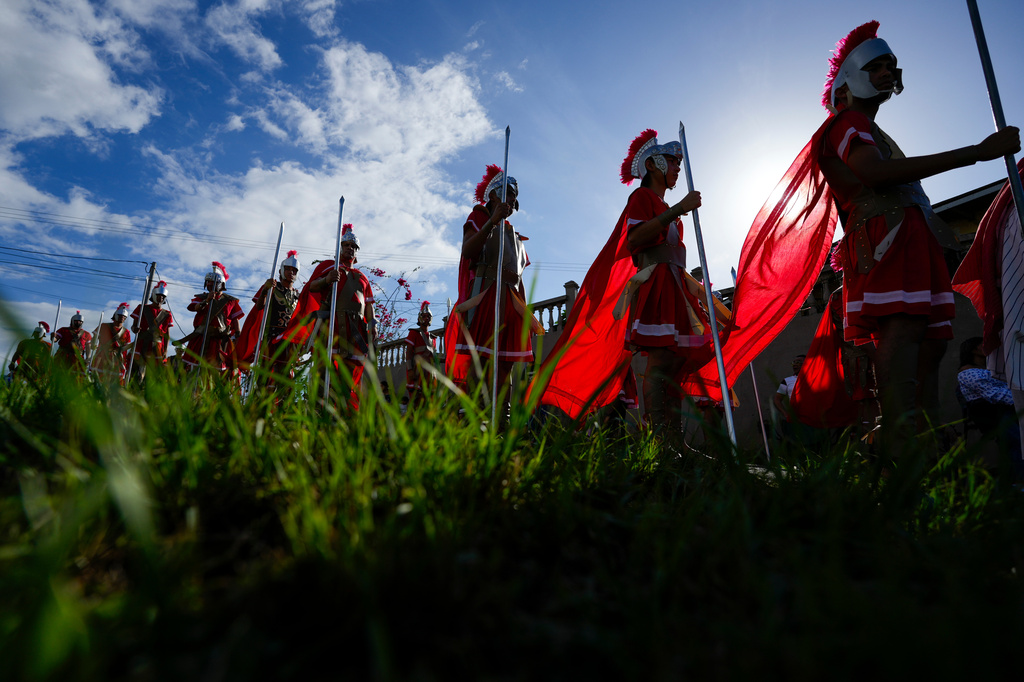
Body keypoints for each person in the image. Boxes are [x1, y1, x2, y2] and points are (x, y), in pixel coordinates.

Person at [445, 165, 540, 411]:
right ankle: (477, 419)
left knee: (505, 362)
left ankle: (501, 421)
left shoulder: (513, 233)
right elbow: (468, 251)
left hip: (511, 300)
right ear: (494, 195)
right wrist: (492, 222)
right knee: (484, 360)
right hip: (487, 295)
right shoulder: (479, 216)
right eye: (508, 193)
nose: (512, 200)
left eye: (515, 197)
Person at [279, 225, 375, 408]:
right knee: (324, 371)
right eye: (346, 245)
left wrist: (373, 324)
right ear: (341, 247)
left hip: (355, 332)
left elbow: (369, 304)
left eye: (353, 246)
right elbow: (311, 288)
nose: (350, 248)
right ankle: (319, 410)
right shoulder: (329, 267)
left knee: (350, 376)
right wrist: (327, 279)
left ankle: (343, 412)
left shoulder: (362, 277)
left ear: (357, 251)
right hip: (332, 326)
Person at [956, 336, 1022, 477]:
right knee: (1015, 440)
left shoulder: (992, 370)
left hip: (1007, 410)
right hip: (994, 415)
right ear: (974, 350)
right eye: (984, 344)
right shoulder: (968, 374)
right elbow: (996, 395)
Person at [236, 249, 301, 389]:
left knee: (287, 378)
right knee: (266, 376)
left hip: (288, 341)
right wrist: (265, 290)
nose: (291, 272)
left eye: (294, 270)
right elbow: (260, 306)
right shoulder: (272, 287)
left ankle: (284, 408)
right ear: (281, 270)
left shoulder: (297, 295)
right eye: (288, 269)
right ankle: (261, 406)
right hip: (271, 338)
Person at [182, 262, 244, 374]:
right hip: (200, 337)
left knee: (215, 371)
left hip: (220, 339)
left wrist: (238, 335)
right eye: (209, 283)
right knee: (195, 369)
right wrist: (206, 301)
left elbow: (235, 319)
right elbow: (193, 308)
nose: (210, 285)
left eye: (213, 283)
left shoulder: (231, 301)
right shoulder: (202, 297)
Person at [130, 280, 174, 381]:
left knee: (154, 373)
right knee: (136, 371)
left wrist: (166, 349)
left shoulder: (167, 314)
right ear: (154, 295)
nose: (161, 298)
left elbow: (167, 333)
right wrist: (135, 329)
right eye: (159, 295)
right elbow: (133, 326)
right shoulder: (142, 308)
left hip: (158, 345)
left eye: (163, 297)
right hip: (142, 342)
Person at [403, 301, 437, 406]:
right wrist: (410, 369)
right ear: (419, 318)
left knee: (429, 401)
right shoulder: (414, 333)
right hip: (417, 370)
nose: (426, 318)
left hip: (430, 372)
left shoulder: (433, 338)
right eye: (424, 316)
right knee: (416, 401)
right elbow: (408, 352)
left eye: (428, 316)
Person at [91, 303, 133, 385]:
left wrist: (134, 344)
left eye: (124, 317)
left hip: (117, 358)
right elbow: (95, 337)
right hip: (102, 355)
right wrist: (93, 343)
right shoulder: (104, 326)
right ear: (115, 315)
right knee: (99, 379)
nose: (122, 318)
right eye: (120, 316)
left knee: (114, 381)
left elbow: (125, 347)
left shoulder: (126, 332)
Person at [772, 355, 806, 430]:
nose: (795, 365)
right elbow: (777, 399)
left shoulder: (815, 378)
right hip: (796, 420)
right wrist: (786, 414)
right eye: (794, 363)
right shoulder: (787, 381)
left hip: (813, 419)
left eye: (798, 362)